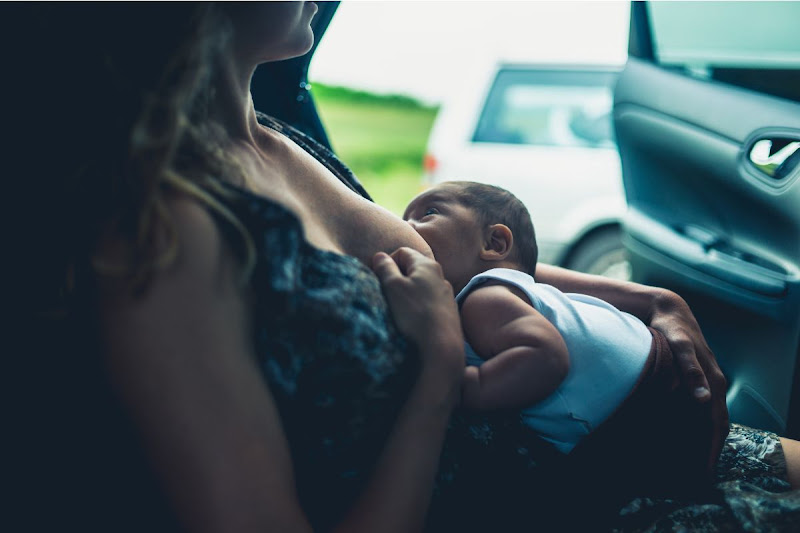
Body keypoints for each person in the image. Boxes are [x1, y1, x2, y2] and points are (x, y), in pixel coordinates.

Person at [13, 3, 800, 532]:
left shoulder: (281, 141)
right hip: (547, 501)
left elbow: (454, 269)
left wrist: (648, 299)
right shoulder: (157, 231)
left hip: (600, 439)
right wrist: (434, 379)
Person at [403, 180, 714, 494]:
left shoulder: (483, 298)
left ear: (495, 242)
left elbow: (545, 356)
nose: (406, 227)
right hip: (645, 389)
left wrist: (465, 387)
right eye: (403, 219)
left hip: (649, 403)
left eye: (428, 212)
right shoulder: (511, 293)